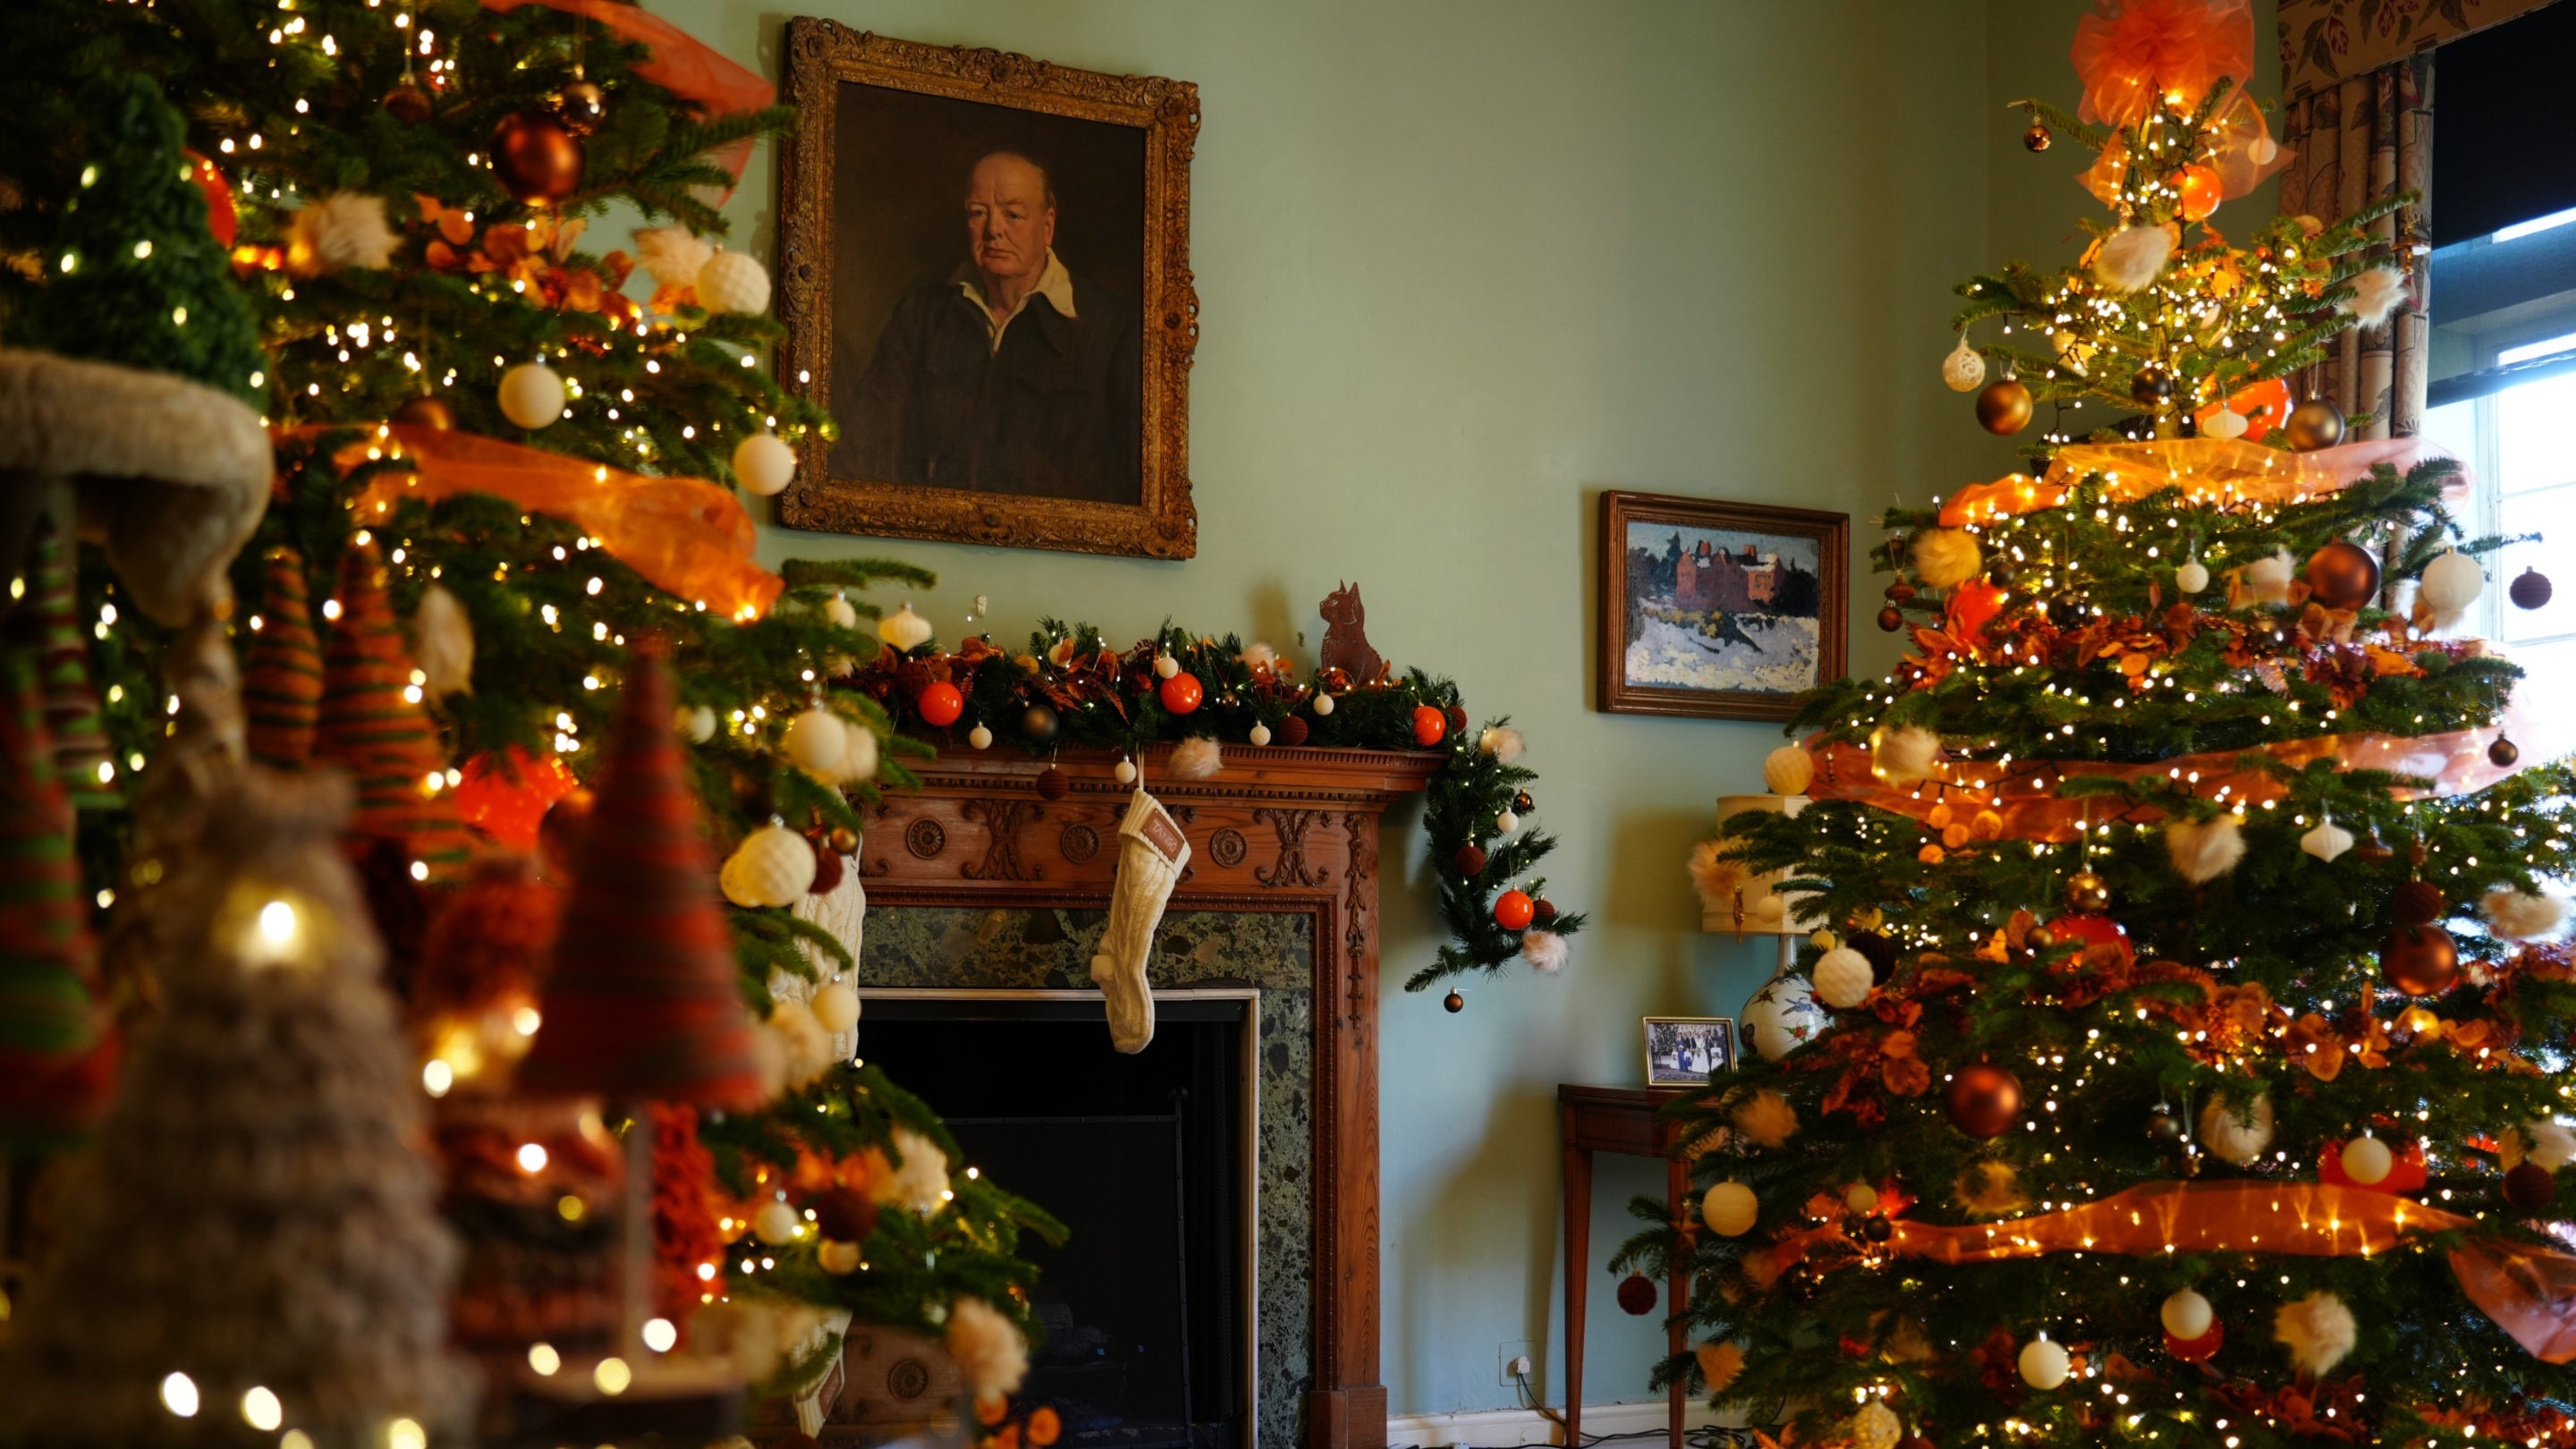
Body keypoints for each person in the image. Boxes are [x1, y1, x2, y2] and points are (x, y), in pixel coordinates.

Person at [842, 151, 1140, 502]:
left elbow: (1133, 478)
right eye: (978, 213)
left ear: (1047, 227)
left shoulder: (1110, 326)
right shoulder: (923, 314)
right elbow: (864, 447)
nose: (994, 230)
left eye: (1013, 215)